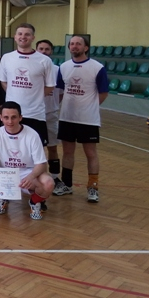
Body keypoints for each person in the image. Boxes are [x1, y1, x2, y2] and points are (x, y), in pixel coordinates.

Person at [0, 102, 54, 220]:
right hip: (5, 175)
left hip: (27, 173)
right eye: (6, 117)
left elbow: (41, 164)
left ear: (20, 117)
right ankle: (2, 197)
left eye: (14, 117)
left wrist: (31, 176)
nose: (10, 121)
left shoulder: (32, 135)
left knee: (48, 183)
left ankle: (34, 202)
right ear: (1, 118)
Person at [56, 35, 109, 203]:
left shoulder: (97, 68)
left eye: (78, 44)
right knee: (67, 152)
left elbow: (103, 93)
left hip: (88, 120)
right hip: (67, 118)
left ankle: (93, 187)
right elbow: (60, 92)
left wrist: (90, 107)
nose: (74, 46)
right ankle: (67, 184)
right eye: (72, 44)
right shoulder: (64, 67)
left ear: (86, 48)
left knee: (90, 153)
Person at [0, 23, 55, 148]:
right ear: (15, 37)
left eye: (27, 34)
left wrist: (35, 95)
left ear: (33, 37)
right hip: (12, 114)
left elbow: (50, 86)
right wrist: (14, 93)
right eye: (20, 34)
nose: (23, 37)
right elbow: (3, 81)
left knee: (36, 151)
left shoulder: (45, 60)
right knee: (11, 150)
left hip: (35, 114)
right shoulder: (7, 58)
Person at [36, 39, 62, 189]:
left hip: (50, 113)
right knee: (35, 148)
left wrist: (53, 105)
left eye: (47, 49)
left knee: (52, 147)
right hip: (34, 114)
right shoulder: (31, 67)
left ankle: (55, 177)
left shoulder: (57, 70)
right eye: (41, 49)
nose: (44, 52)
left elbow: (61, 93)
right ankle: (34, 176)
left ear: (51, 51)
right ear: (36, 50)